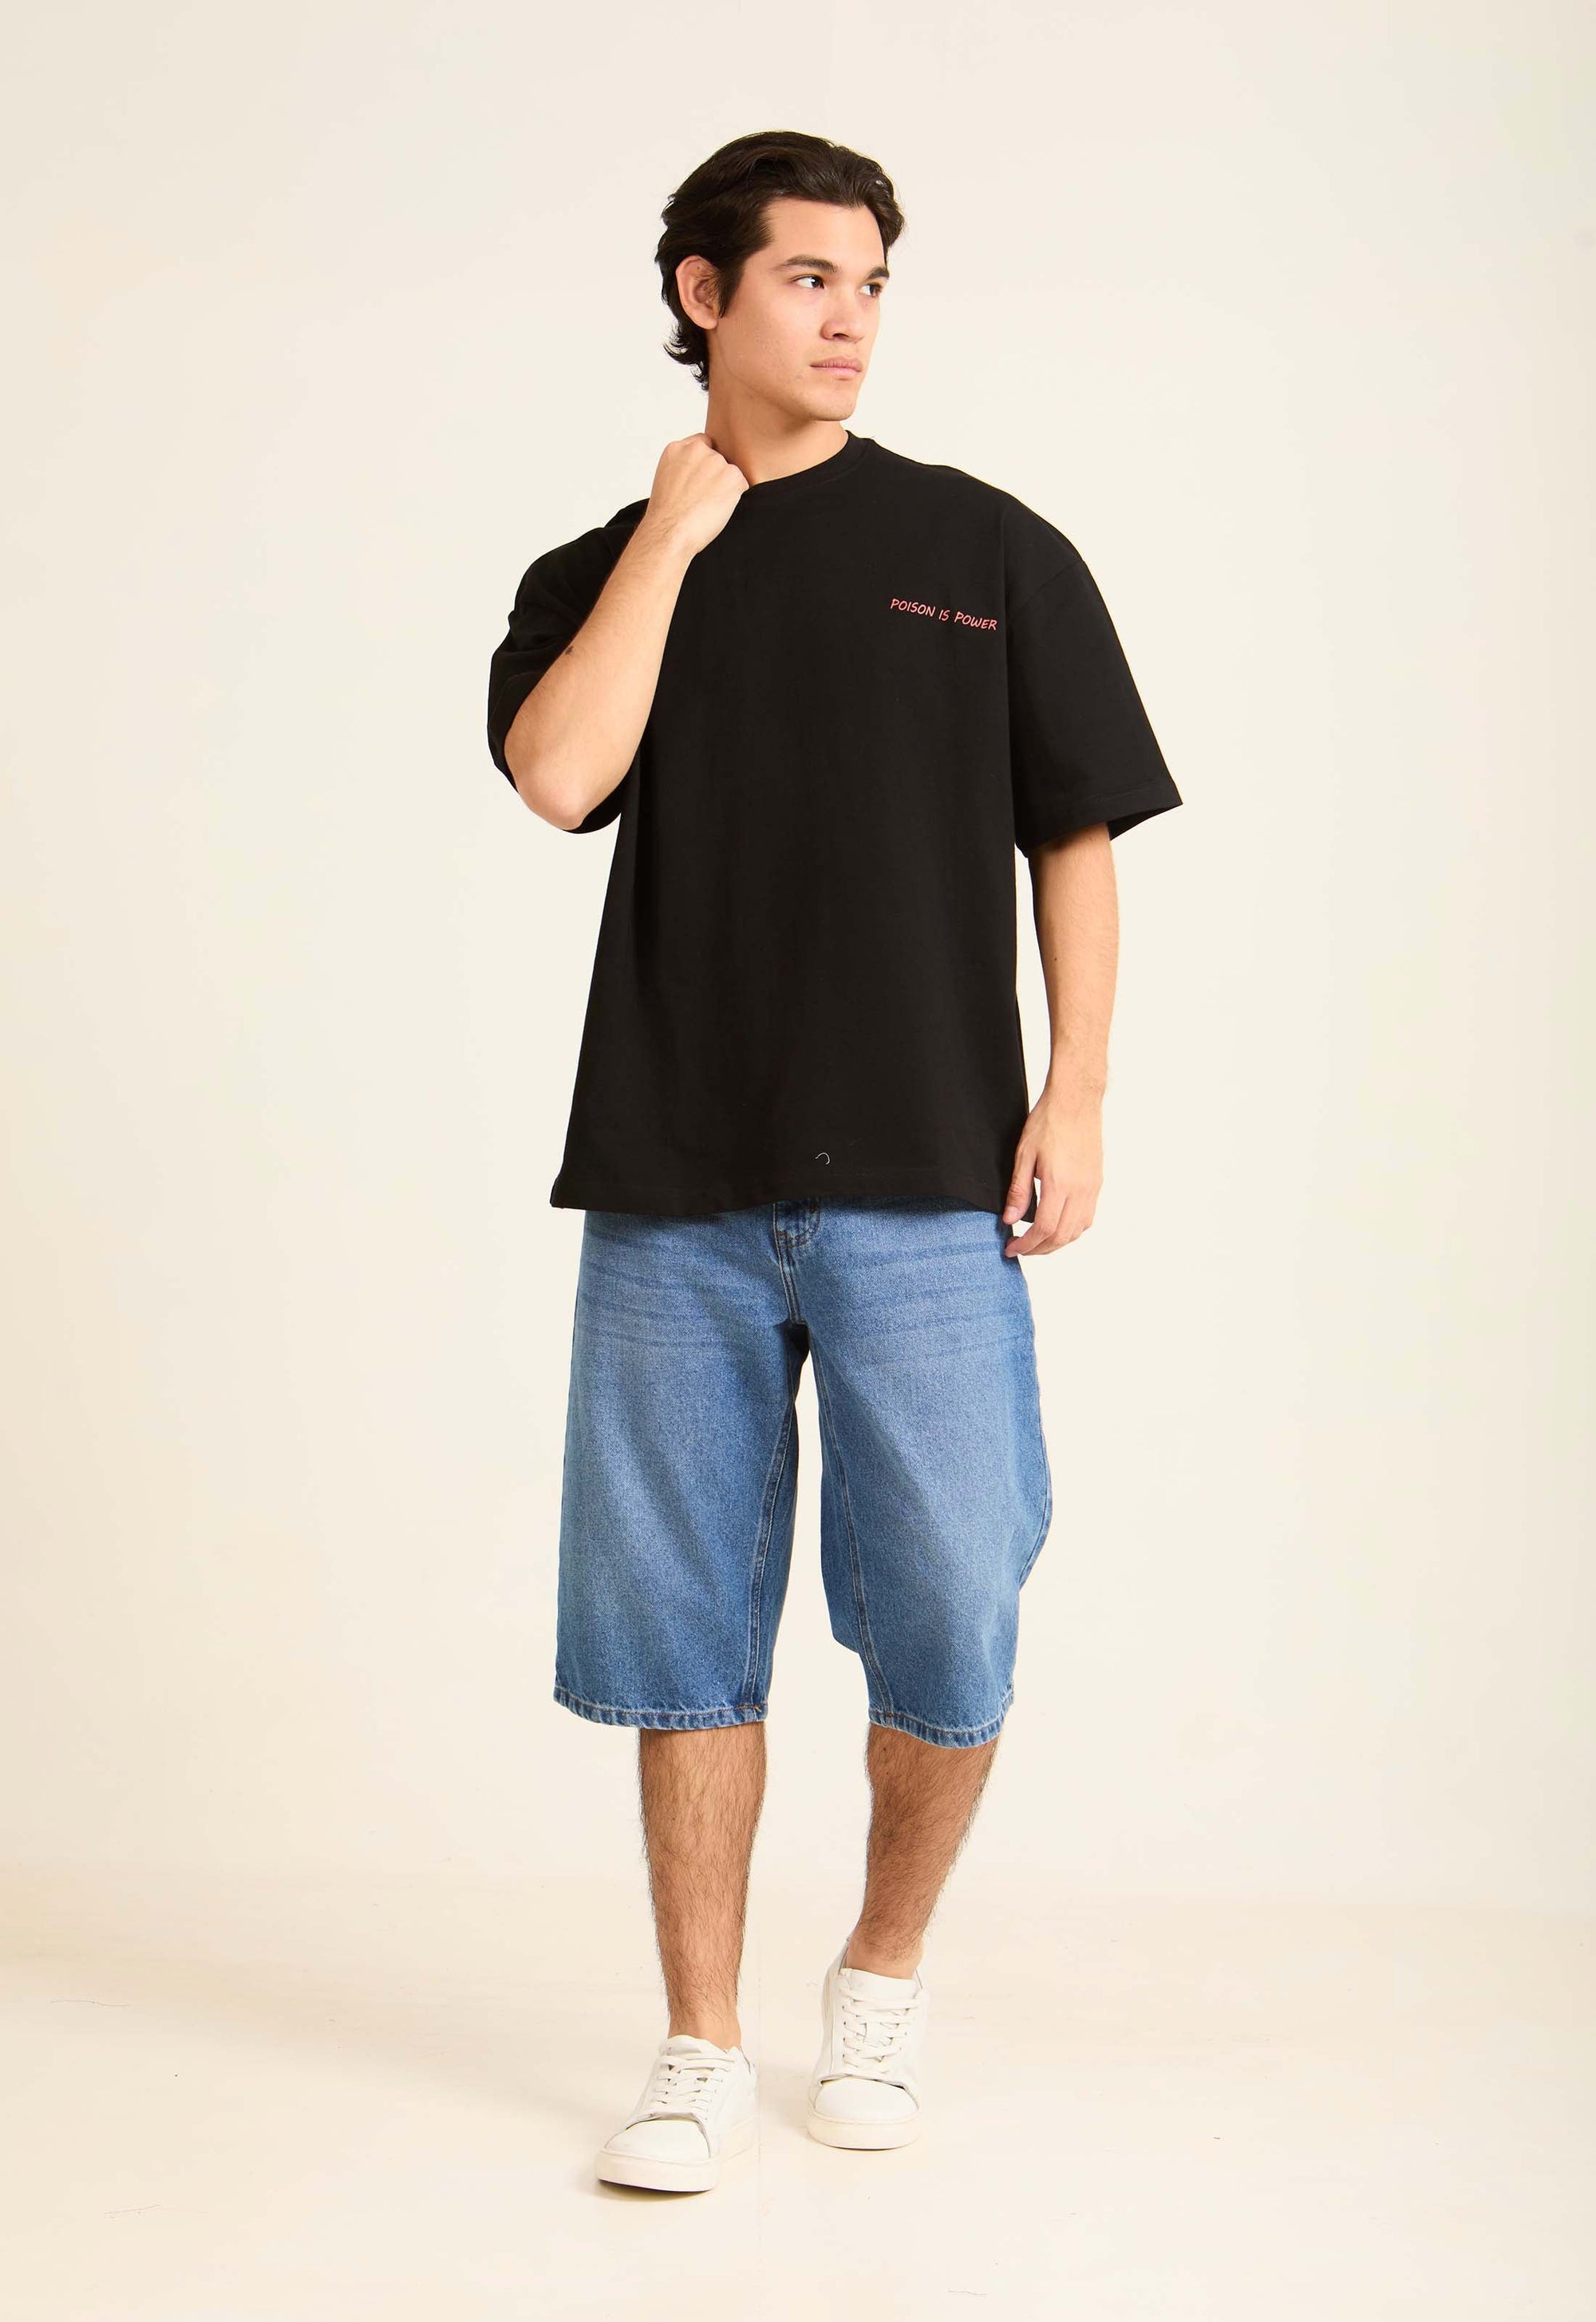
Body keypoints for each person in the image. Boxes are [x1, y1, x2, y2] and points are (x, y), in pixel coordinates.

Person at [484, 129, 1182, 2194]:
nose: (852, 317)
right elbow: (560, 774)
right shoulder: (601, 567)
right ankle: (698, 2041)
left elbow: (1074, 829)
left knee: (955, 1602)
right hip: (675, 1182)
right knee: (678, 1632)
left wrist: (1079, 1092)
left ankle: (880, 1976)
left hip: (930, 1178)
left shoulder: (987, 548)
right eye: (807, 278)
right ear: (702, 294)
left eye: (871, 281)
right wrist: (675, 533)